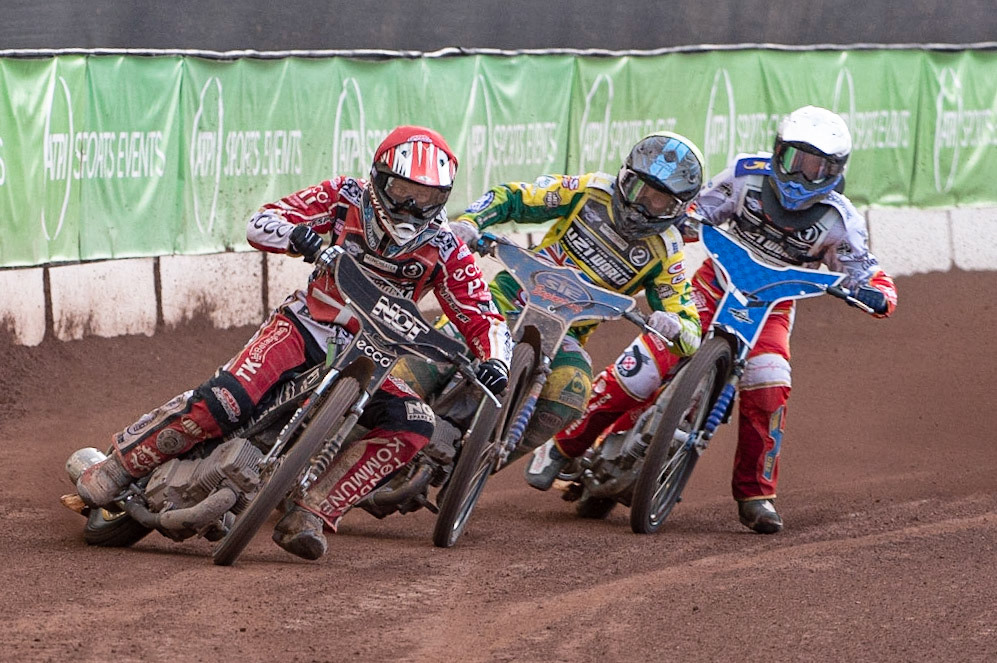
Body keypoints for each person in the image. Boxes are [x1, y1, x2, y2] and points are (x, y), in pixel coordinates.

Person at [75, 125, 512, 560]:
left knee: (417, 423)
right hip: (306, 326)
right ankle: (118, 466)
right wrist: (294, 235)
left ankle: (311, 512)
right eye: (403, 190)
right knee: (226, 399)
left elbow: (483, 312)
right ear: (380, 177)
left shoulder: (448, 246)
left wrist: (496, 360)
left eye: (429, 198)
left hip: (377, 357)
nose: (413, 207)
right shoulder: (345, 196)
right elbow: (261, 221)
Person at [551, 106, 897, 534]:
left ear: (835, 171)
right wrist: (682, 220)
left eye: (816, 168)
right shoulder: (746, 175)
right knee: (646, 364)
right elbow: (696, 213)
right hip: (711, 286)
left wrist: (877, 293)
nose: (801, 177)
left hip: (770, 307)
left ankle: (757, 495)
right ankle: (566, 445)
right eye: (794, 161)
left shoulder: (839, 220)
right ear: (777, 152)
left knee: (771, 385)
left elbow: (863, 270)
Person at [449, 132, 705, 490]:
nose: (643, 204)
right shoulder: (588, 191)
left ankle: (481, 462)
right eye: (639, 190)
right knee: (439, 344)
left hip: (565, 333)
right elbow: (515, 197)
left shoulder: (666, 251)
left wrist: (675, 326)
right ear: (625, 176)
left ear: (677, 209)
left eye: (659, 200)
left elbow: (691, 332)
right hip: (508, 298)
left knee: (573, 391)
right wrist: (471, 222)